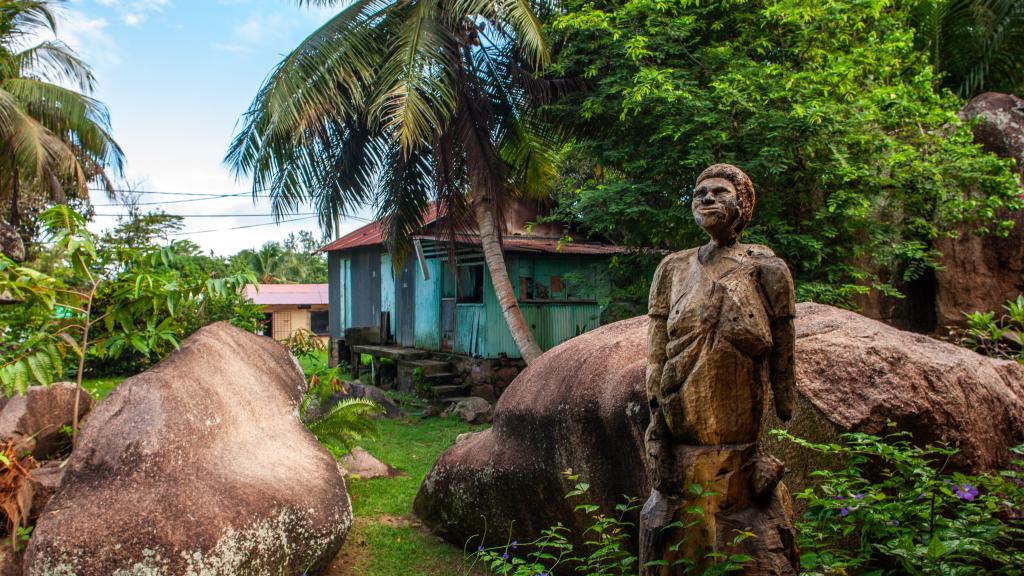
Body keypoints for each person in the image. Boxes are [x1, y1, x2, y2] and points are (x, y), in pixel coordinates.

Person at [640, 163, 797, 575]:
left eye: (719, 192)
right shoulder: (672, 269)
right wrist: (654, 403)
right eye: (699, 193)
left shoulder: (767, 269)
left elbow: (782, 346)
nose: (707, 198)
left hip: (740, 448)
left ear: (742, 204)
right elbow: (657, 350)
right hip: (680, 435)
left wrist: (785, 395)